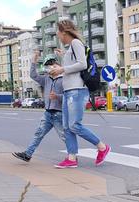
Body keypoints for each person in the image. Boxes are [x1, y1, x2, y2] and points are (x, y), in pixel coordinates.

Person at [49, 19, 110, 169]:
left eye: (58, 32)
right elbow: (75, 64)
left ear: (64, 32)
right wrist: (64, 56)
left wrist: (61, 69)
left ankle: (102, 147)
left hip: (77, 90)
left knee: (74, 125)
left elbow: (82, 64)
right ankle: (71, 158)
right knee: (67, 127)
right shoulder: (71, 47)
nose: (57, 35)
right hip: (69, 90)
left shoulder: (76, 43)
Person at [12, 52, 65, 163]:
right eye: (49, 65)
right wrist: (33, 62)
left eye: (54, 65)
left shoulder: (64, 79)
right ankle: (28, 154)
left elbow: (68, 97)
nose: (51, 67)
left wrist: (57, 96)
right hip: (48, 113)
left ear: (59, 67)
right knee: (38, 134)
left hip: (59, 113)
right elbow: (33, 75)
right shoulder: (46, 79)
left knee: (64, 136)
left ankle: (72, 156)